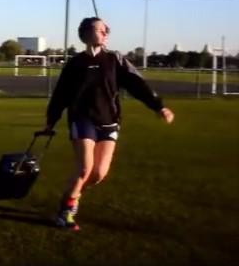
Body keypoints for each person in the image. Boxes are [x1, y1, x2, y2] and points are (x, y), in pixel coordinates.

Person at [45, 17, 175, 231]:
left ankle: (71, 196)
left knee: (98, 174)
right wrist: (51, 121)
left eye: (107, 30)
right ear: (86, 33)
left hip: (109, 122)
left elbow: (137, 85)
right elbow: (61, 95)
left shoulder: (116, 60)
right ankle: (65, 212)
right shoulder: (75, 64)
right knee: (84, 168)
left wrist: (158, 106)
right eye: (101, 29)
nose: (106, 33)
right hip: (82, 120)